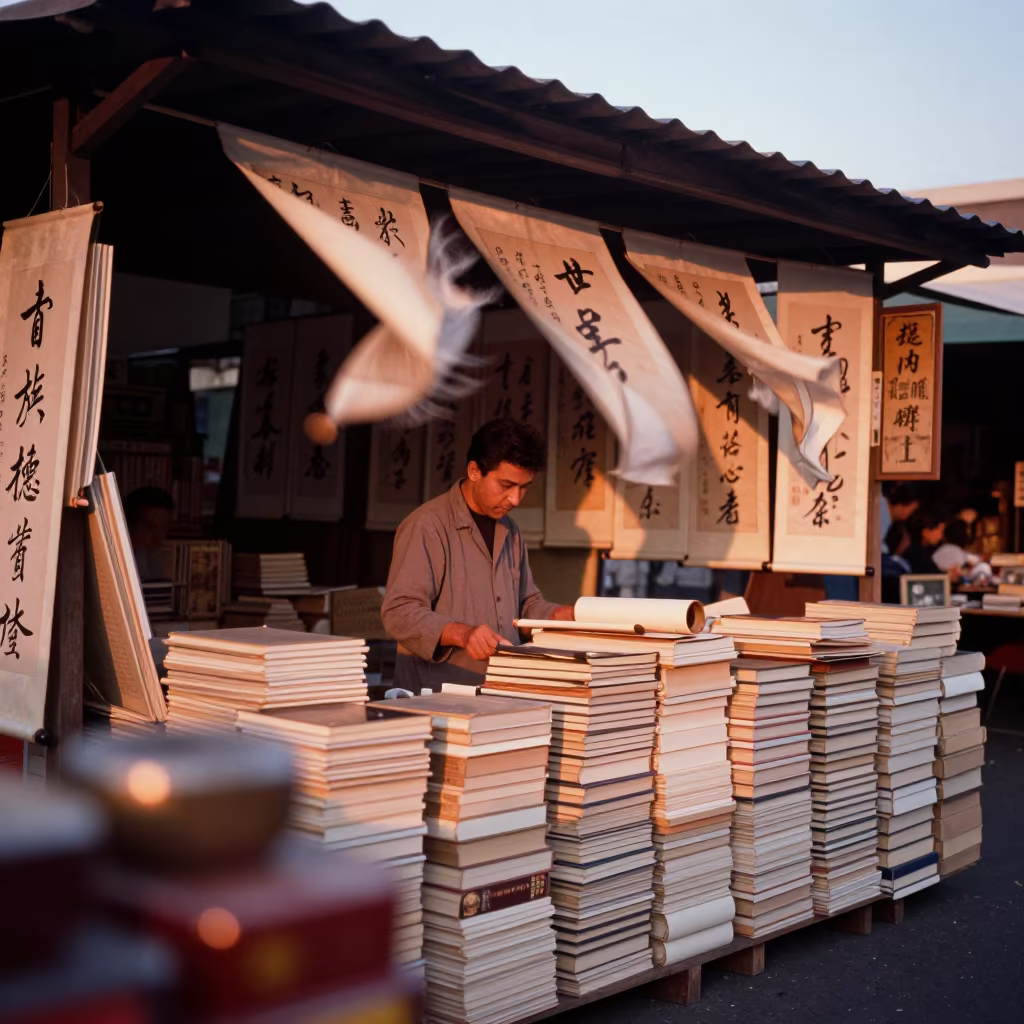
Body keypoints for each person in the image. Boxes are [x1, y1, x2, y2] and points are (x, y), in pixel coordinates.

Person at [381, 419, 574, 690]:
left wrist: (560, 616)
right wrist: (463, 634)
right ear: (474, 471)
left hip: (501, 690)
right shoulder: (427, 526)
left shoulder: (510, 530)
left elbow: (526, 606)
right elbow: (399, 612)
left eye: (524, 487)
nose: (515, 499)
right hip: (437, 697)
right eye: (506, 485)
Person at [124, 486, 174, 582]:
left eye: (163, 529)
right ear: (129, 525)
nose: (159, 537)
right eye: (150, 528)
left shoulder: (163, 560)